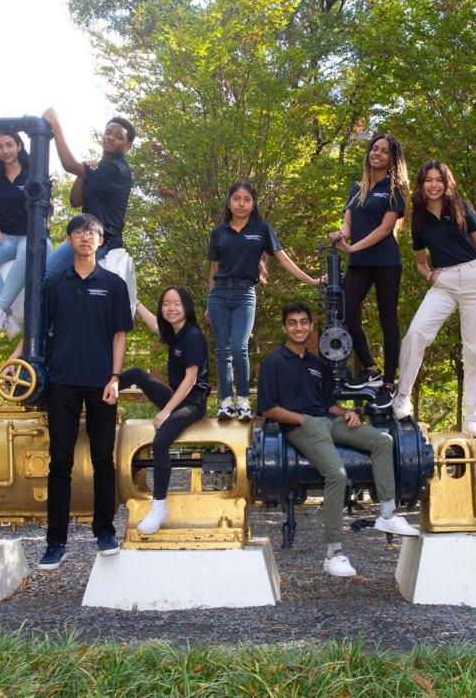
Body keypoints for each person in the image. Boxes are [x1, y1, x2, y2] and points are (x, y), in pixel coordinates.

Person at [257, 301, 420, 578]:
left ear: (310, 327)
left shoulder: (316, 364)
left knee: (383, 441)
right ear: (285, 327)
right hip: (301, 426)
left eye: (303, 322)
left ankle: (388, 515)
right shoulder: (273, 363)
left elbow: (327, 403)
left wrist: (346, 413)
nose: (299, 327)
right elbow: (268, 408)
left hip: (328, 421)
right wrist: (300, 419)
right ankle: (334, 553)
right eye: (293, 322)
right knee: (337, 474)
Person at [38, 213, 133, 568]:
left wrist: (114, 377)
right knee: (59, 463)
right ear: (70, 239)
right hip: (61, 382)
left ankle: (104, 532)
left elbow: (119, 335)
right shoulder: (55, 284)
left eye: (92, 233)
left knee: (103, 460)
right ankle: (55, 542)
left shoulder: (113, 285)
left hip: (101, 384)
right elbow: (40, 331)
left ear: (101, 239)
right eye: (79, 232)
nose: (85, 238)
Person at [390, 160, 476, 435]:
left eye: (439, 180)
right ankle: (402, 399)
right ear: (422, 185)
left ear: (446, 183)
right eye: (428, 180)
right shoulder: (419, 219)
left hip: (472, 277)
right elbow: (421, 262)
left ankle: (473, 418)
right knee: (415, 334)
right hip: (443, 281)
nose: (434, 185)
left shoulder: (461, 207)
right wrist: (430, 277)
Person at [207, 181, 321, 421]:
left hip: (244, 292)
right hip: (218, 295)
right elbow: (214, 269)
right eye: (236, 198)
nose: (241, 203)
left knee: (239, 347)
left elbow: (284, 259)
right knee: (222, 350)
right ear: (229, 202)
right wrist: (209, 301)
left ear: (253, 203)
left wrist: (311, 280)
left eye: (246, 199)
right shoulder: (218, 233)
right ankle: (226, 402)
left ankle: (244, 401)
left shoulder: (262, 229)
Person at [117, 286, 211, 534]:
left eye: (176, 303)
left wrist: (166, 411)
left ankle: (159, 506)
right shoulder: (174, 332)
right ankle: (100, 392)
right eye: (166, 304)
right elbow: (155, 325)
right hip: (177, 398)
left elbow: (191, 379)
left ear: (187, 306)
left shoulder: (192, 335)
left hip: (192, 402)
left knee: (160, 443)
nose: (170, 308)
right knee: (137, 374)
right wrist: (135, 302)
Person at [329, 133, 409, 409]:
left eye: (384, 151)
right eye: (374, 148)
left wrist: (353, 248)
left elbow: (386, 229)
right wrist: (340, 236)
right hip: (360, 263)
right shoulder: (357, 188)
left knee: (388, 319)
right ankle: (371, 370)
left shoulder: (394, 188)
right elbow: (348, 226)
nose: (377, 153)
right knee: (346, 313)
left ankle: (388, 384)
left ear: (391, 158)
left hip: (386, 261)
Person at [41, 108, 138, 310]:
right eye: (108, 132)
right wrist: (83, 172)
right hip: (85, 233)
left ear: (127, 146)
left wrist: (55, 123)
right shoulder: (101, 167)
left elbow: (68, 164)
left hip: (100, 239)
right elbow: (75, 200)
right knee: (57, 282)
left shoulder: (117, 169)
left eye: (118, 137)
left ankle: (38, 335)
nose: (111, 138)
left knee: (45, 275)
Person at [0, 129, 52, 338]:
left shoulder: (35, 174)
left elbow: (48, 211)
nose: (4, 150)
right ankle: (8, 317)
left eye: (9, 144)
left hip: (33, 235)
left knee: (29, 251)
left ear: (19, 145)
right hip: (6, 236)